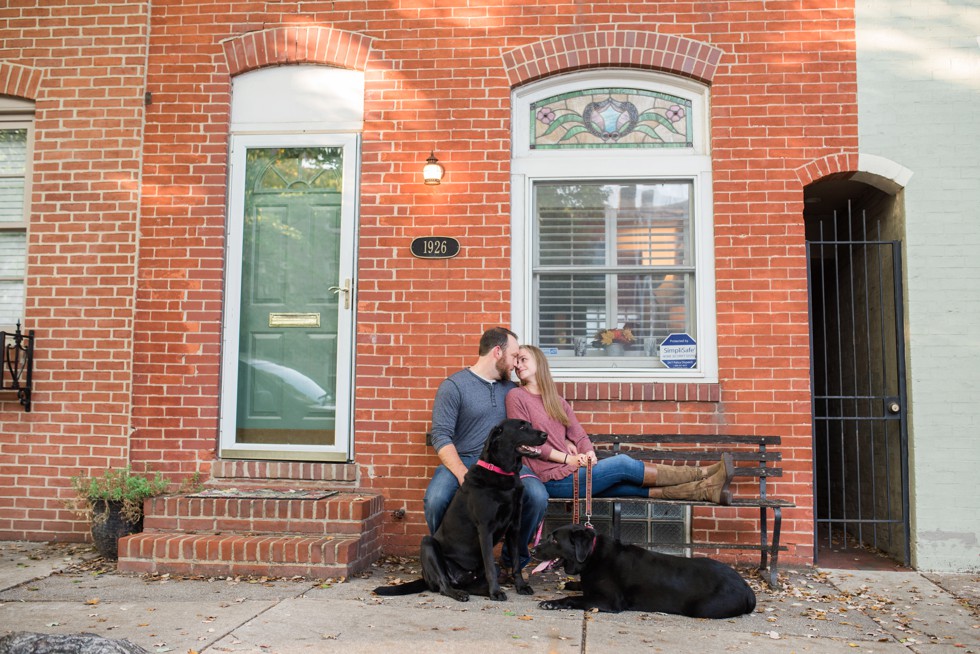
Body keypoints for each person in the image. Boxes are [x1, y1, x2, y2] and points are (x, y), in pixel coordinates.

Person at [506, 344, 734, 503]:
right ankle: (702, 473)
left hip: (573, 470)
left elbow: (580, 435)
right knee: (622, 465)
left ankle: (706, 491)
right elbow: (527, 445)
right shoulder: (517, 397)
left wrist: (589, 454)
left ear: (539, 361)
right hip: (552, 479)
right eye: (516, 363)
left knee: (626, 487)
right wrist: (569, 458)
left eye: (523, 359)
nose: (518, 365)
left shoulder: (557, 401)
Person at [423, 327, 549, 576]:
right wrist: (462, 473)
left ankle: (512, 563)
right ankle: (448, 564)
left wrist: (565, 441)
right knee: (435, 499)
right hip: (465, 461)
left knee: (536, 497)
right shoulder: (454, 386)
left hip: (505, 465)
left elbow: (541, 419)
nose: (516, 364)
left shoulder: (512, 390)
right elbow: (441, 435)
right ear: (497, 352)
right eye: (514, 356)